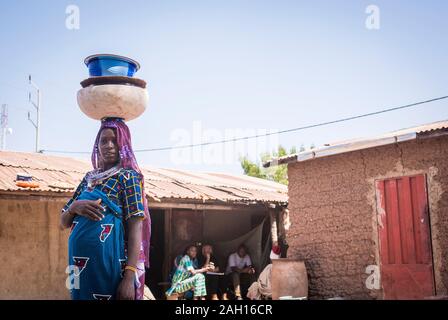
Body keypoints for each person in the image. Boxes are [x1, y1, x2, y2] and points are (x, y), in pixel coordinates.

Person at [60, 118, 151, 300]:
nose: (108, 145)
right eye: (103, 141)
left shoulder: (128, 177)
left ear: (123, 144)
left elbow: (136, 228)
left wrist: (129, 277)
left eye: (114, 140)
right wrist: (74, 207)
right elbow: (63, 222)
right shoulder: (89, 178)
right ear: (97, 145)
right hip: (77, 268)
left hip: (109, 266)